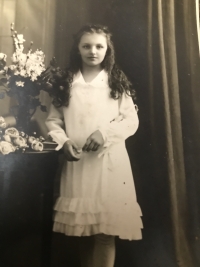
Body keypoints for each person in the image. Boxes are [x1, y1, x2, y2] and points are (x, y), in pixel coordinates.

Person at [45, 24, 143, 267]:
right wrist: (64, 141)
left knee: (104, 233)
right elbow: (53, 120)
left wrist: (104, 133)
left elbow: (131, 120)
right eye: (86, 46)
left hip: (108, 164)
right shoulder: (66, 83)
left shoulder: (115, 82)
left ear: (107, 49)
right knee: (83, 231)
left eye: (99, 46)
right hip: (78, 165)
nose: (93, 51)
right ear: (77, 49)